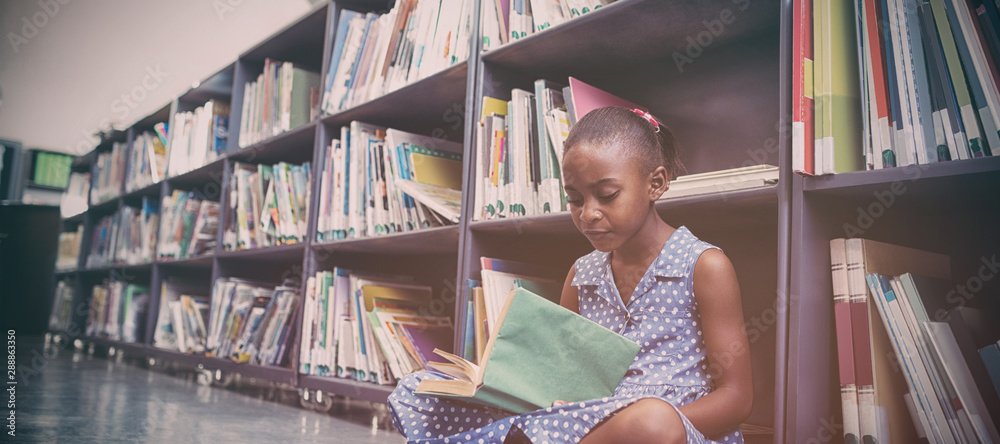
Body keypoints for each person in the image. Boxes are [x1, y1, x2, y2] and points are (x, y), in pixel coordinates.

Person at [388, 106, 753, 443]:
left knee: (651, 421)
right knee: (418, 388)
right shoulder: (583, 273)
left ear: (655, 184)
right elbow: (562, 380)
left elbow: (736, 400)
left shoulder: (704, 266)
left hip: (667, 430)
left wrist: (649, 423)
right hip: (580, 421)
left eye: (607, 195)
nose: (588, 213)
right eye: (575, 199)